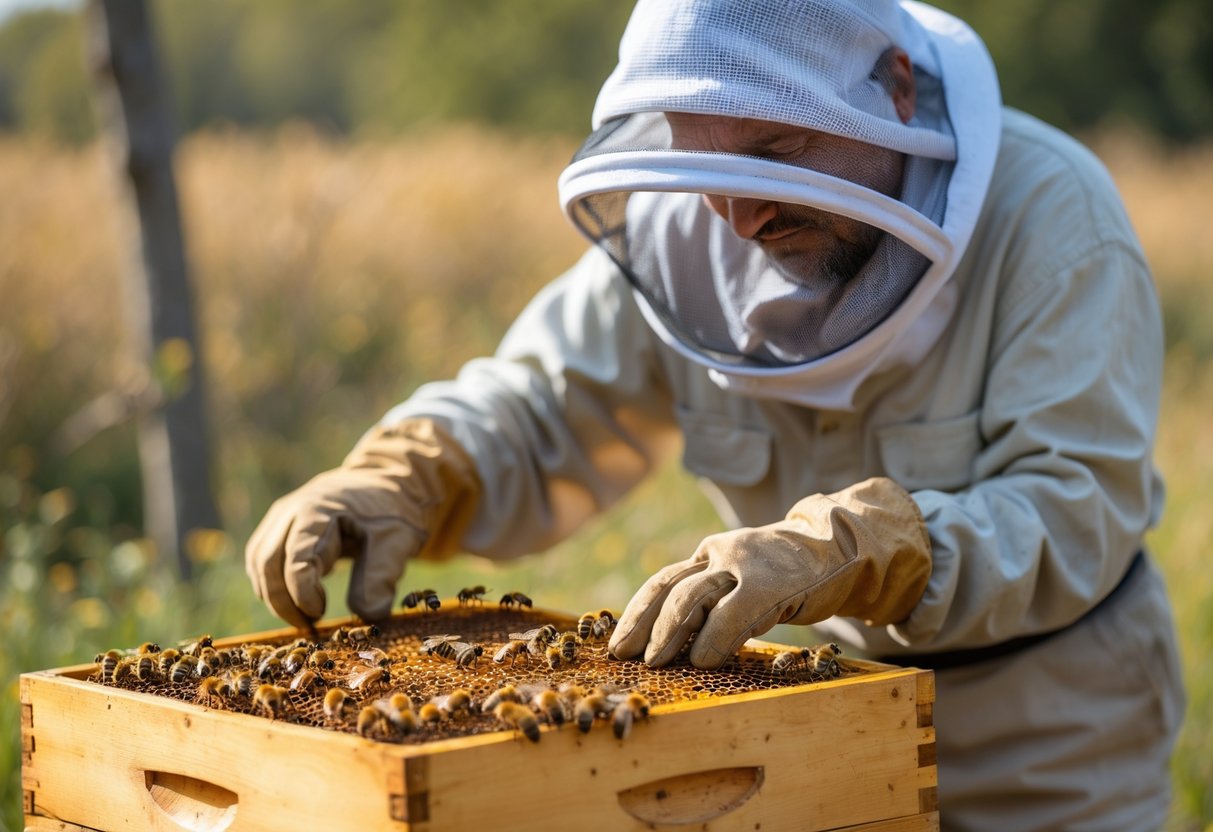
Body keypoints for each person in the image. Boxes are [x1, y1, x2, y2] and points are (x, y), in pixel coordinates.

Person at [244, 1, 1185, 828]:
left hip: (1047, 744)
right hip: (809, 725)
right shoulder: (682, 223)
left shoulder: (1051, 216)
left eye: (778, 152)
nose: (736, 216)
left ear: (894, 88)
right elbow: (539, 400)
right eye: (703, 157)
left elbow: (1071, 510)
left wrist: (858, 545)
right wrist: (405, 468)